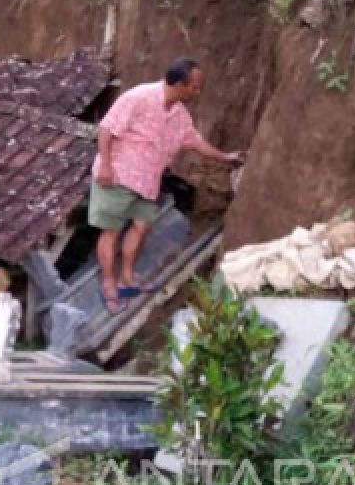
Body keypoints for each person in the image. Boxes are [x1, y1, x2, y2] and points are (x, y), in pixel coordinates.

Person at [90, 58, 243, 313]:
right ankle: (108, 284)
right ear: (180, 84)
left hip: (148, 180)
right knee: (111, 231)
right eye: (195, 86)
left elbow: (194, 140)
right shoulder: (139, 96)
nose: (198, 91)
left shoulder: (179, 114)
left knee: (141, 227)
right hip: (117, 174)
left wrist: (225, 156)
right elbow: (106, 129)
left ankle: (127, 276)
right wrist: (105, 165)